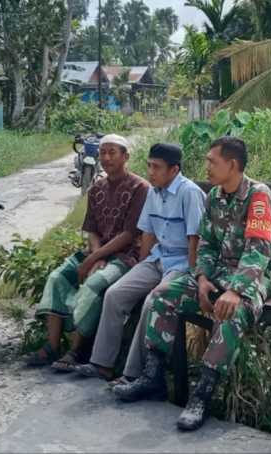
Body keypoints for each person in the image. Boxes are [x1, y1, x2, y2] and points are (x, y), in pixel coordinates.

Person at [113, 136, 271, 432]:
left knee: (229, 312)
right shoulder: (213, 196)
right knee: (162, 296)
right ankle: (153, 378)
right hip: (217, 273)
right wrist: (202, 279)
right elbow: (205, 245)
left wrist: (233, 291)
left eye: (211, 161)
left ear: (232, 165)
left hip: (255, 275)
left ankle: (203, 394)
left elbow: (258, 252)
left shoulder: (259, 196)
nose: (205, 166)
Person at [74, 143, 205, 381]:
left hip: (182, 263)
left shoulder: (190, 193)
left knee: (151, 302)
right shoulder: (154, 192)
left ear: (174, 170)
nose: (150, 172)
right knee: (115, 294)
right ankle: (102, 364)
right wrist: (141, 267)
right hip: (157, 259)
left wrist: (194, 274)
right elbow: (147, 233)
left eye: (156, 167)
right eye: (149, 166)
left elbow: (194, 238)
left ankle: (133, 375)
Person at [24, 134, 148, 370]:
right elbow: (91, 229)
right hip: (96, 251)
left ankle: (76, 351)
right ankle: (51, 346)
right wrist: (95, 255)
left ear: (126, 156)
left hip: (125, 256)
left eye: (113, 152)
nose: (107, 158)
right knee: (57, 277)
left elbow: (129, 234)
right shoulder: (96, 188)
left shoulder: (140, 188)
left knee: (94, 284)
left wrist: (94, 259)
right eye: (103, 152)